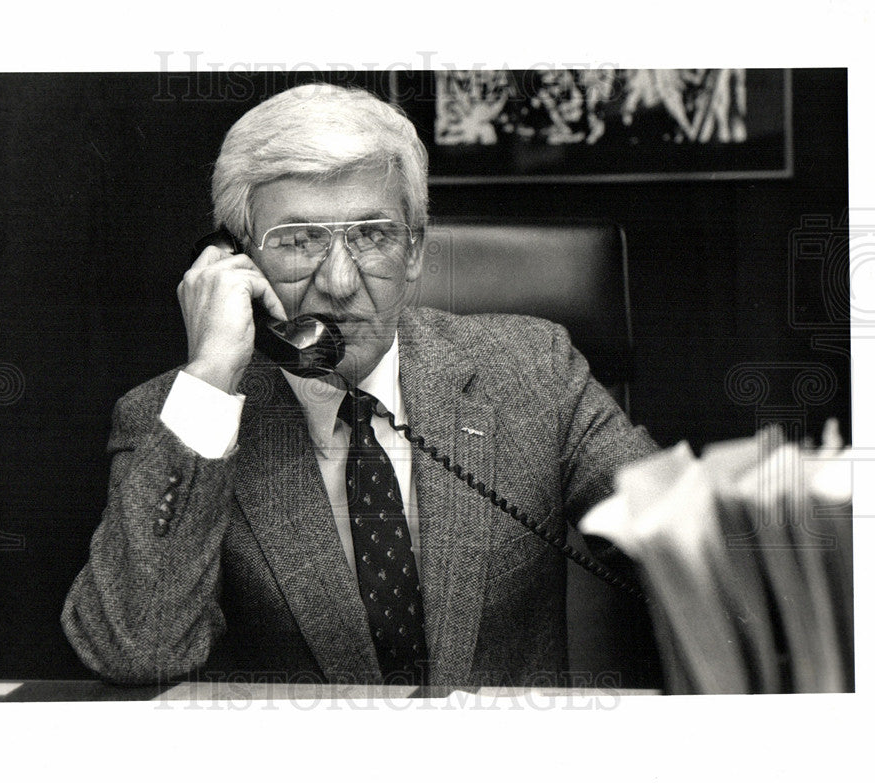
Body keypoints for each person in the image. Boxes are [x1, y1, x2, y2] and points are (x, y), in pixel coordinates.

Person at [61, 83, 659, 687]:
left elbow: (682, 540)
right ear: (233, 259)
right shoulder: (176, 420)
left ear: (415, 251)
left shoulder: (533, 371)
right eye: (299, 240)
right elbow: (134, 649)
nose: (341, 283)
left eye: (372, 235)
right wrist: (214, 375)